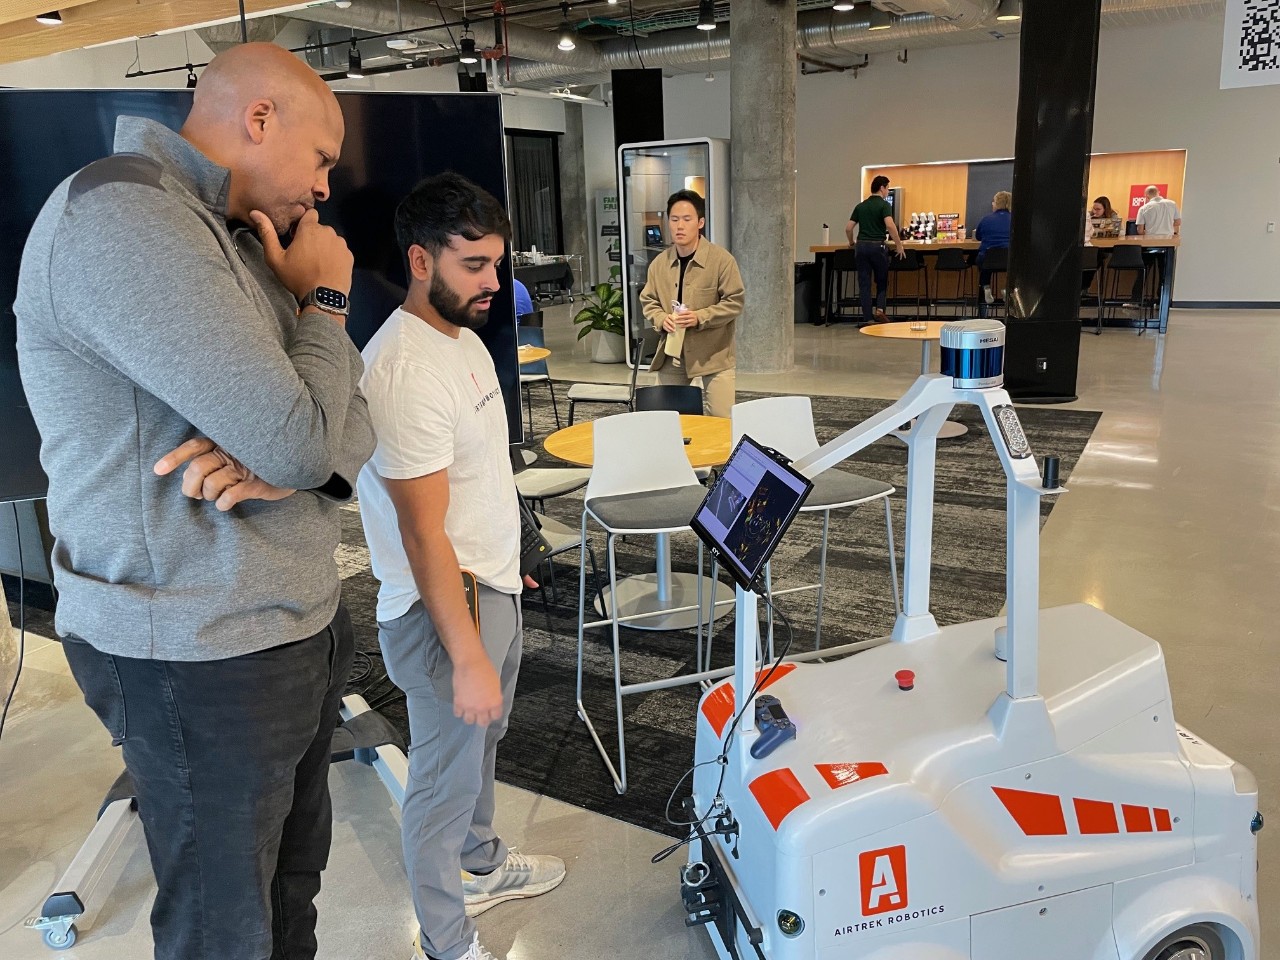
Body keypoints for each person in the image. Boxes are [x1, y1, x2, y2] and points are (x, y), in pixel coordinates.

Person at [14, 43, 375, 960]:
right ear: (260, 117)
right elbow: (304, 434)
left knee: (289, 894)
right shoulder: (125, 218)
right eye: (323, 157)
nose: (326, 188)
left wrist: (288, 453)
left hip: (279, 626)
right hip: (197, 649)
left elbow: (352, 422)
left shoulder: (236, 235)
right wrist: (325, 308)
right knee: (225, 927)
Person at [356, 172, 565, 960]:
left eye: (497, 263)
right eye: (473, 264)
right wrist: (469, 652)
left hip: (492, 585)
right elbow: (421, 536)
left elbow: (483, 474)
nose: (494, 281)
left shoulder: (467, 339)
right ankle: (447, 941)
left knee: (483, 748)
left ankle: (480, 865)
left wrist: (520, 551)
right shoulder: (404, 371)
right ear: (420, 260)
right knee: (440, 788)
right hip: (444, 609)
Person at [640, 189, 745, 418]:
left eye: (686, 219)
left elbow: (735, 302)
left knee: (722, 420)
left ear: (700, 222)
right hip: (674, 353)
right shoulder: (659, 264)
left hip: (714, 353)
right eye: (674, 219)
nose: (679, 226)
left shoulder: (721, 261)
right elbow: (648, 300)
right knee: (667, 418)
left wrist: (700, 317)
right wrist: (660, 318)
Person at [846, 175, 907, 324]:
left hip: (861, 247)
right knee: (881, 280)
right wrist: (899, 245)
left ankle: (867, 318)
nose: (887, 192)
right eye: (887, 188)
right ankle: (880, 310)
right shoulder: (884, 205)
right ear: (882, 188)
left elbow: (848, 228)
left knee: (864, 283)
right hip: (877, 246)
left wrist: (851, 242)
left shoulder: (860, 206)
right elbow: (890, 225)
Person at [974, 190, 1012, 317]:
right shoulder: (1015, 219)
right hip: (1008, 258)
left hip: (987, 259)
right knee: (1011, 266)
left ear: (996, 204)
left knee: (984, 260)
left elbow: (978, 236)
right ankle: (1008, 288)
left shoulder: (986, 219)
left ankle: (985, 286)